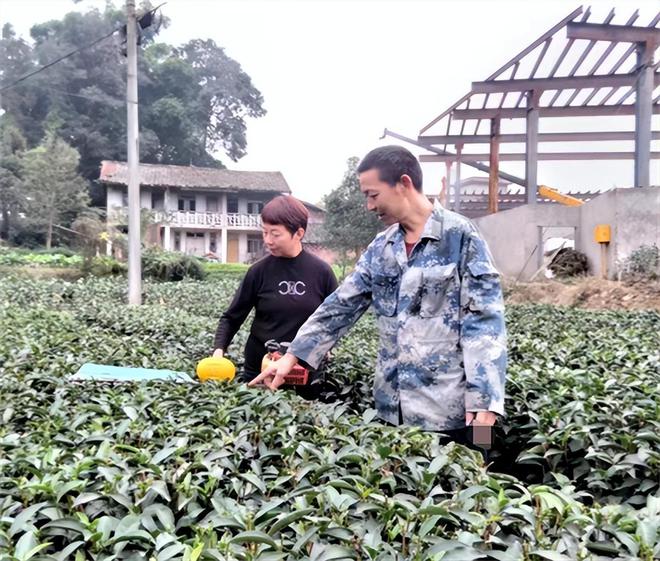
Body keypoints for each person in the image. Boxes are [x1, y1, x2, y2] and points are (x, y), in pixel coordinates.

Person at [250, 146, 507, 448]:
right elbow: (340, 305)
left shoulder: (461, 236)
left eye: (373, 195)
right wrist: (292, 357)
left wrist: (486, 404)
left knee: (471, 477)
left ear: (403, 183)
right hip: (390, 411)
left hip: (452, 414)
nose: (369, 206)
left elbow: (485, 322)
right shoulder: (382, 247)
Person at [212, 195, 338, 396]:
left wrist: (327, 346)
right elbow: (232, 317)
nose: (268, 240)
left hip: (303, 370)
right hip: (260, 368)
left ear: (298, 233)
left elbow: (334, 320)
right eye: (264, 232)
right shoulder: (258, 271)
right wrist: (219, 351)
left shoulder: (322, 272)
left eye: (275, 234)